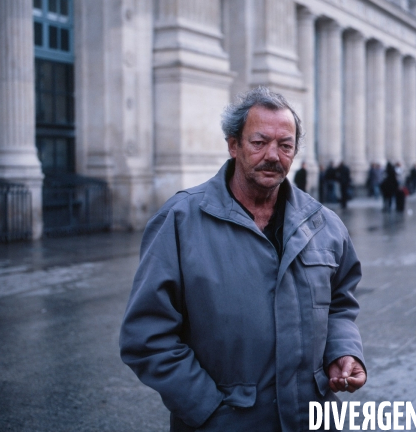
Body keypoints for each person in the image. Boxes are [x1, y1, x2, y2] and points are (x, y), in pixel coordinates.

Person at [119, 87, 366, 432]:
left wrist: (344, 352)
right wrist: (209, 410)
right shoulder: (180, 220)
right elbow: (147, 336)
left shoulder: (325, 224)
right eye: (259, 142)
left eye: (285, 145)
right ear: (233, 145)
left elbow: (339, 305)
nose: (273, 155)